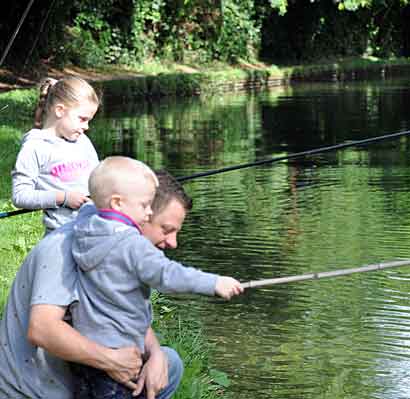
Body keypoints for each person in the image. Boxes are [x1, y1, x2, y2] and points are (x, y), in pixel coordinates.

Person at [0, 167, 209, 399]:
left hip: (77, 379)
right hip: (32, 390)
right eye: (166, 230)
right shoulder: (62, 248)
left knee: (169, 364)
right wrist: (111, 361)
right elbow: (42, 329)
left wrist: (156, 353)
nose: (173, 243)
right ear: (139, 214)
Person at [70, 156, 243, 398]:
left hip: (86, 356)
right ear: (118, 203)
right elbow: (168, 275)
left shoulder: (86, 228)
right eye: (144, 206)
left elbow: (90, 206)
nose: (148, 212)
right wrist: (214, 283)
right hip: (119, 355)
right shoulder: (132, 245)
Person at [11, 76, 100, 235]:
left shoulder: (83, 141)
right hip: (60, 235)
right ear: (60, 110)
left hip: (94, 229)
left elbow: (98, 176)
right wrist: (63, 198)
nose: (86, 127)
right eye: (82, 119)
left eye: (89, 121)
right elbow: (20, 195)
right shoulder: (35, 147)